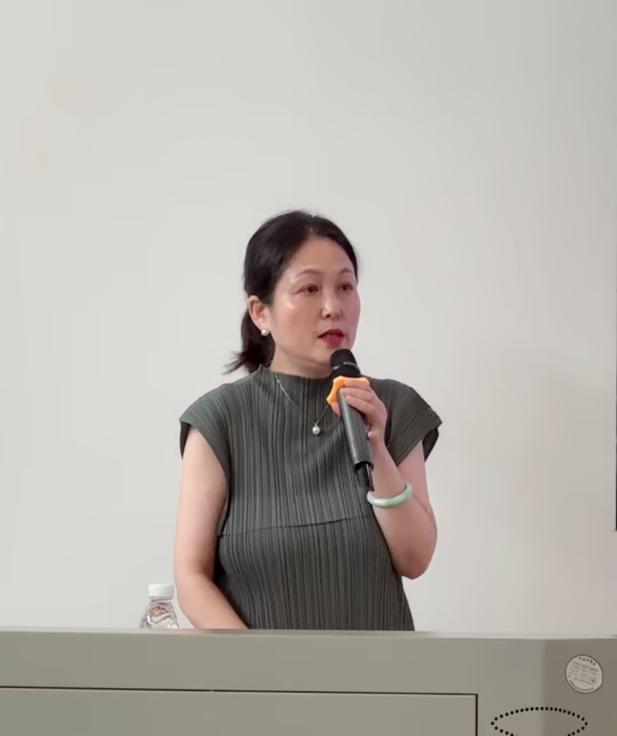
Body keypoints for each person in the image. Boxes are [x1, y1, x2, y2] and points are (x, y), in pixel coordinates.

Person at [174, 210, 442, 630]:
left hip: (382, 671)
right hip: (256, 670)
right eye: (310, 289)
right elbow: (191, 577)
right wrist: (261, 665)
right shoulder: (219, 420)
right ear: (260, 313)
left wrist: (376, 447)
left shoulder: (392, 406)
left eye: (345, 286)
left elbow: (415, 559)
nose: (333, 308)